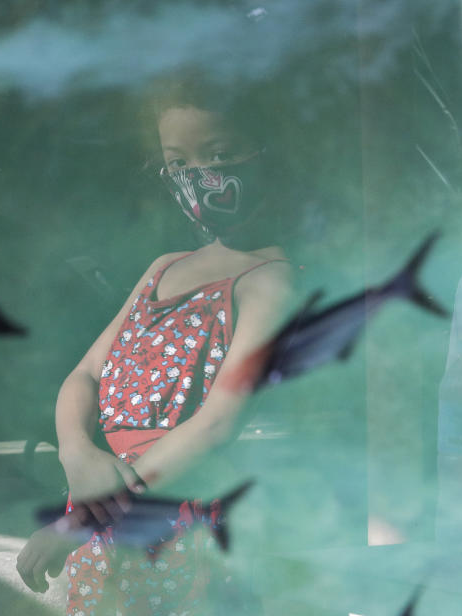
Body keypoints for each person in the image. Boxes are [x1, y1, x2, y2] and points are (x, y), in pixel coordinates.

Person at [16, 76, 296, 615]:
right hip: (105, 503)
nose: (198, 176)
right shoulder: (162, 269)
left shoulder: (269, 280)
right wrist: (78, 453)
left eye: (219, 153)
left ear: (266, 150)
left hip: (174, 524)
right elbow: (85, 375)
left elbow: (217, 423)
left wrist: (86, 513)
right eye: (178, 163)